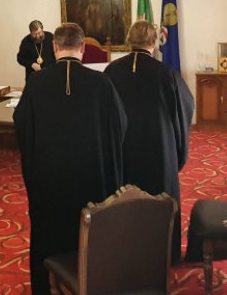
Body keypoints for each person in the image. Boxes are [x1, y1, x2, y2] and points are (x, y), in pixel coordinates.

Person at [13, 23, 127, 294]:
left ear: (54, 47)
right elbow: (120, 125)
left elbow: (21, 126)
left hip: (49, 181)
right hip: (92, 178)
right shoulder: (101, 83)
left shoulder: (36, 83)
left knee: (49, 233)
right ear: (83, 48)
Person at [104, 20, 195, 262]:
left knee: (123, 199)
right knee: (160, 200)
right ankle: (164, 254)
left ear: (129, 41)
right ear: (154, 43)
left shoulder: (112, 71)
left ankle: (124, 252)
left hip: (123, 150)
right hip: (159, 149)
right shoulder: (166, 73)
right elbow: (185, 106)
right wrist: (177, 149)